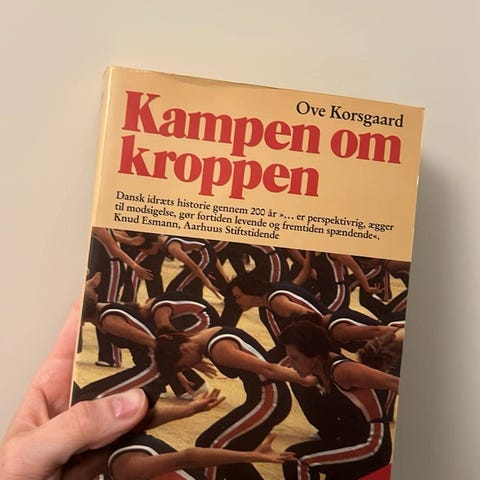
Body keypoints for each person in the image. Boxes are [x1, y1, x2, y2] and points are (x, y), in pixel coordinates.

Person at [0, 303, 149, 479]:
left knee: (95, 398)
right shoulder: (108, 316)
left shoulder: (109, 320)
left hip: (153, 364)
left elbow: (152, 343)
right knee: (87, 396)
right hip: (147, 362)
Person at [154, 325, 317, 480]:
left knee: (211, 445)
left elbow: (268, 369)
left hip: (269, 399)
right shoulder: (207, 336)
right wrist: (193, 361)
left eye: (184, 365)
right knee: (233, 457)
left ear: (185, 349)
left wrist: (304, 379)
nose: (188, 367)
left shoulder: (219, 349)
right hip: (266, 398)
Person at [279, 318, 399, 480]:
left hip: (371, 444)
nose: (291, 364)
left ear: (314, 355)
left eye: (295, 358)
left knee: (297, 459)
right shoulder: (320, 371)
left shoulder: (342, 370)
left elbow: (394, 383)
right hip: (350, 440)